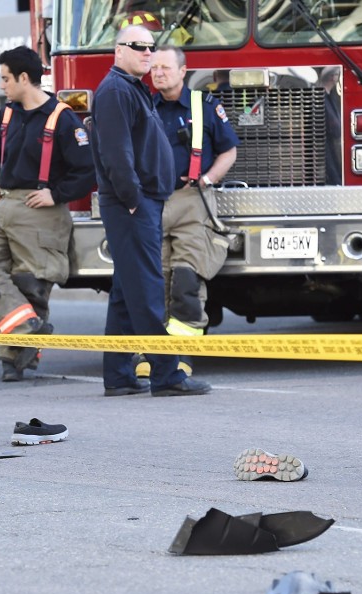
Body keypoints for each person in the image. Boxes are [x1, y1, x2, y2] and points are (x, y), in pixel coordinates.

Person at [90, 24, 211, 397]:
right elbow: (117, 155)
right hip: (132, 205)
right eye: (138, 46)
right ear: (118, 50)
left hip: (141, 202)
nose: (147, 52)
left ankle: (119, 376)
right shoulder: (114, 91)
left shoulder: (130, 89)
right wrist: (132, 200)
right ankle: (166, 374)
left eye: (150, 47)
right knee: (147, 289)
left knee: (127, 292)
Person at [0, 46, 94, 382]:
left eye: (5, 78)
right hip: (4, 206)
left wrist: (56, 194)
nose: (1, 85)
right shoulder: (5, 115)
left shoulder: (63, 118)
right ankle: (27, 327)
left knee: (30, 283)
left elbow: (87, 171)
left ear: (24, 78)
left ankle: (16, 359)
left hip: (42, 211)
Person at [138, 45, 239, 378]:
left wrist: (208, 178)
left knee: (185, 279)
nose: (158, 73)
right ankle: (151, 355)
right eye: (154, 68)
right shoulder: (143, 106)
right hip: (151, 202)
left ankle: (182, 355)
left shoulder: (205, 107)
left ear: (183, 71)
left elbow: (229, 151)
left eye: (166, 67)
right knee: (155, 281)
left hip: (190, 200)